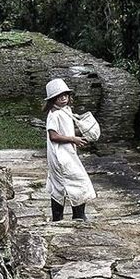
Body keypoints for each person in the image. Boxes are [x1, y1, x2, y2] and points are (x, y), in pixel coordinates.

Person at [44, 77, 97, 221]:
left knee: (58, 186)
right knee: (79, 181)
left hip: (66, 154)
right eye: (59, 96)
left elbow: (66, 131)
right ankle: (78, 215)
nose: (63, 98)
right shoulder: (53, 115)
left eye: (65, 95)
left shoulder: (66, 110)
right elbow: (53, 136)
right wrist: (73, 139)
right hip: (60, 156)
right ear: (53, 99)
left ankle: (59, 218)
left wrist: (80, 132)